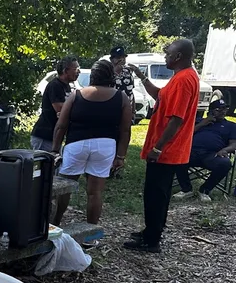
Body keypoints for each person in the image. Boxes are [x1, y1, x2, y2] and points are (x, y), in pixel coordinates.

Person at [124, 39, 200, 253]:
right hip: (169, 149)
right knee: (159, 193)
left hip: (168, 150)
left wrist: (157, 148)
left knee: (155, 194)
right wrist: (141, 77)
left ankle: (151, 240)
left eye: (169, 53)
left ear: (178, 57)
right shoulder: (180, 77)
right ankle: (152, 230)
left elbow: (176, 118)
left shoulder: (184, 80)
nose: (165, 56)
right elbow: (160, 96)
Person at [51, 60, 131, 225]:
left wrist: (55, 149)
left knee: (64, 188)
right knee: (95, 192)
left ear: (93, 76)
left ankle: (55, 224)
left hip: (76, 144)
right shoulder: (121, 97)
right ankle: (90, 234)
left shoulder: (77, 95)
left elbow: (61, 125)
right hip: (105, 146)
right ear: (111, 75)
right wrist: (121, 155)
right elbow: (125, 130)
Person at [173, 99, 236, 201]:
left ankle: (204, 190)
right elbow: (183, 136)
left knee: (225, 163)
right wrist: (203, 123)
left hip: (212, 155)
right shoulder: (197, 121)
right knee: (176, 156)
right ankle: (186, 189)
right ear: (210, 111)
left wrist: (225, 150)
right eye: (219, 109)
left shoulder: (231, 126)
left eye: (225, 109)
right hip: (191, 152)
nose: (223, 111)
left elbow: (234, 144)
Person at [30, 56, 81, 152]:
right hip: (44, 136)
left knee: (57, 164)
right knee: (46, 165)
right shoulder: (55, 85)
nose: (79, 72)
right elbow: (60, 109)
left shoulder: (66, 86)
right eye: (76, 69)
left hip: (54, 136)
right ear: (65, 71)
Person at [110, 46, 135, 124]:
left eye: (123, 57)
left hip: (127, 109)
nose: (121, 60)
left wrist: (133, 110)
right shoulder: (107, 71)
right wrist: (115, 71)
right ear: (111, 59)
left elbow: (131, 91)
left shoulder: (128, 71)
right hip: (112, 109)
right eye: (118, 58)